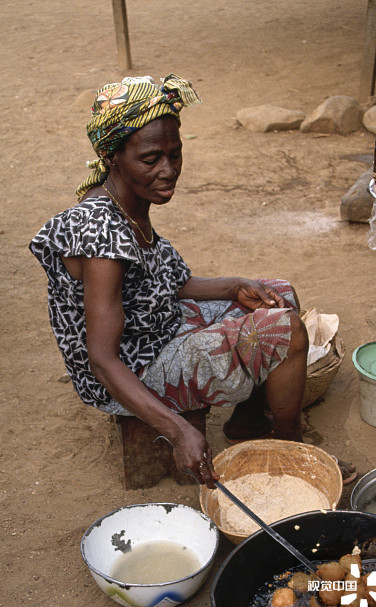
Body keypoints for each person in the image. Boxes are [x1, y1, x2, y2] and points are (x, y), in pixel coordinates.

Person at [30, 73, 355, 489]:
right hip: (131, 367)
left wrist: (237, 285)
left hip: (150, 328)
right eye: (151, 159)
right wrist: (178, 429)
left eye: (175, 155)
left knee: (278, 294)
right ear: (113, 156)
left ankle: (249, 419)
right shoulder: (102, 233)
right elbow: (103, 359)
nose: (168, 170)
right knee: (286, 329)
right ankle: (290, 447)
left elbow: (164, 281)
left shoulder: (126, 197)